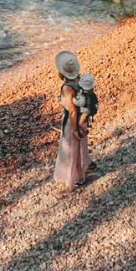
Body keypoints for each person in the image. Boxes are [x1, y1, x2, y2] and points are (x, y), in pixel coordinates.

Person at [52, 51, 91, 190]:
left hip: (72, 121)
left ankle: (74, 178)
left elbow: (72, 110)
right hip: (83, 118)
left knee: (70, 149)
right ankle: (82, 173)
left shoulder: (67, 88)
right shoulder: (80, 80)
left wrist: (74, 129)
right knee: (80, 147)